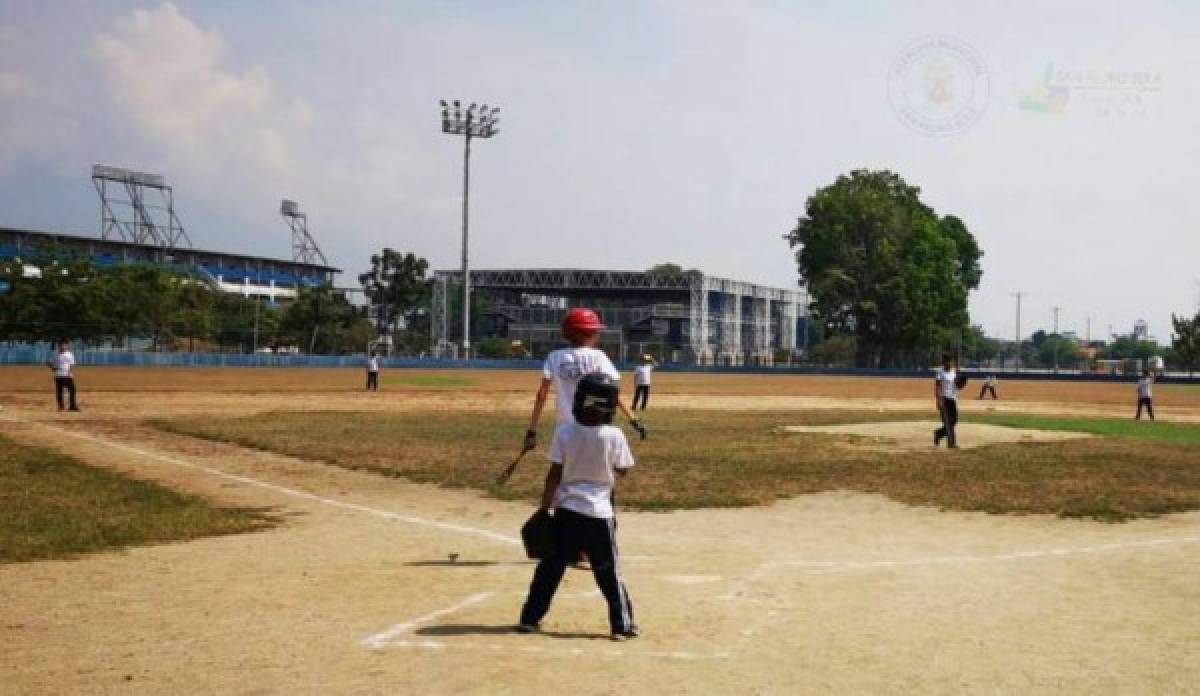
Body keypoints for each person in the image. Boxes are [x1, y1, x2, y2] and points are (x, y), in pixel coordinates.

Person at [518, 372, 639, 641]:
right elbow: (623, 470)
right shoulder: (614, 435)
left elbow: (554, 475)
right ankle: (621, 625)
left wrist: (544, 509)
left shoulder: (565, 432)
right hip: (599, 514)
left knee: (550, 569)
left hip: (566, 513)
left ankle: (530, 618)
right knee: (608, 572)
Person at [524, 308, 645, 453]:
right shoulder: (599, 356)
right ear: (588, 333)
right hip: (593, 425)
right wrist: (633, 419)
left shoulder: (554, 357)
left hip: (565, 427)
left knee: (562, 469)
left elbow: (541, 395)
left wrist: (532, 430)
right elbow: (612, 393)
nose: (598, 334)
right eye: (595, 331)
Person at [933, 353, 958, 448]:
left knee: (954, 421)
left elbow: (956, 384)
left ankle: (938, 434)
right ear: (944, 362)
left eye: (950, 361)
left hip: (952, 399)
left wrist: (960, 384)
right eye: (947, 361)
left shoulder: (954, 371)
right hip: (944, 399)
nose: (949, 363)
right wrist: (938, 400)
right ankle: (951, 443)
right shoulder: (940, 372)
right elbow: (937, 386)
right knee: (947, 422)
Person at [47, 340, 80, 412]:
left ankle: (72, 406)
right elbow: (53, 366)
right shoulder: (56, 355)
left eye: (64, 345)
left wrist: (69, 373)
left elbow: (71, 364)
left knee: (72, 390)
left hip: (67, 375)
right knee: (59, 391)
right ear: (59, 346)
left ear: (67, 346)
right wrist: (51, 366)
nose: (63, 347)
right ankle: (61, 406)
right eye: (61, 345)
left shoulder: (69, 354)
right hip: (59, 375)